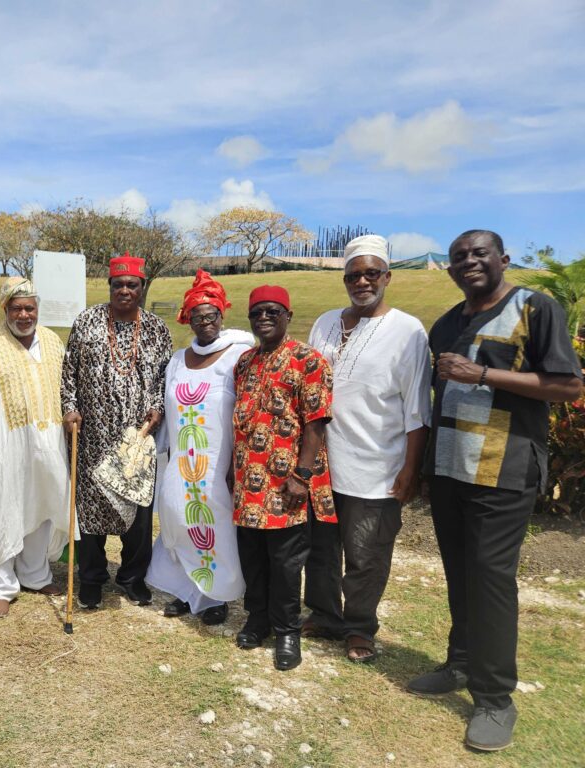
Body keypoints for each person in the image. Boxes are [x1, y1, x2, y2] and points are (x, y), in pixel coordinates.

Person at [406, 230, 582, 752]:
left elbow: (570, 385)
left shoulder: (536, 308)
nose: (468, 262)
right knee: (460, 574)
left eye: (479, 253)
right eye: (459, 256)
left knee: (491, 581)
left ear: (503, 259)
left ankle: (495, 698)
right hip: (449, 470)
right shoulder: (445, 324)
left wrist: (482, 372)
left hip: (503, 471)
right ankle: (459, 664)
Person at [303, 235, 432, 662]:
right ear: (344, 280)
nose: (362, 282)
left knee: (366, 555)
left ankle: (359, 627)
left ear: (387, 277)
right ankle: (325, 615)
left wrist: (410, 470)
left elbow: (416, 407)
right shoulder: (324, 322)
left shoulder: (407, 330)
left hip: (375, 467)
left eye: (371, 273)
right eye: (354, 275)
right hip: (322, 465)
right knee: (321, 550)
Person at [61, 253, 173, 610]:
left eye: (132, 284)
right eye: (118, 284)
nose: (125, 290)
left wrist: (157, 407)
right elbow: (69, 374)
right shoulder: (87, 322)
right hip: (92, 435)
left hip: (137, 438)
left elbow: (163, 380)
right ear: (110, 286)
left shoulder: (157, 329)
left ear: (141, 287)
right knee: (91, 510)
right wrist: (70, 408)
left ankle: (131, 577)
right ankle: (92, 578)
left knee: (138, 514)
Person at [232, 285, 335, 671]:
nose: (264, 318)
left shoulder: (308, 361)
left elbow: (316, 423)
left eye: (272, 311)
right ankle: (257, 619)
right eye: (257, 312)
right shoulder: (245, 362)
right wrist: (231, 471)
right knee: (252, 557)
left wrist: (302, 475)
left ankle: (287, 630)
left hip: (285, 482)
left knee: (287, 562)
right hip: (247, 480)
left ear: (288, 316)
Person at [0, 277, 69, 619]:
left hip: (48, 442)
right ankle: (2, 585)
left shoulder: (52, 341)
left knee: (41, 508)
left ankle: (36, 575)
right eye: (16, 308)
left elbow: (68, 388)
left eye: (30, 308)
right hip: (2, 446)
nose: (24, 315)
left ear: (38, 309)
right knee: (3, 511)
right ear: (5, 309)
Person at [146, 270, 252, 625]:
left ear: (222, 316)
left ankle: (215, 594)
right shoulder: (178, 359)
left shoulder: (238, 355)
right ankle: (184, 589)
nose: (205, 323)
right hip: (182, 459)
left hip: (217, 461)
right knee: (177, 517)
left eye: (212, 316)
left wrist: (238, 464)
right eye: (197, 316)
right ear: (187, 319)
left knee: (214, 525)